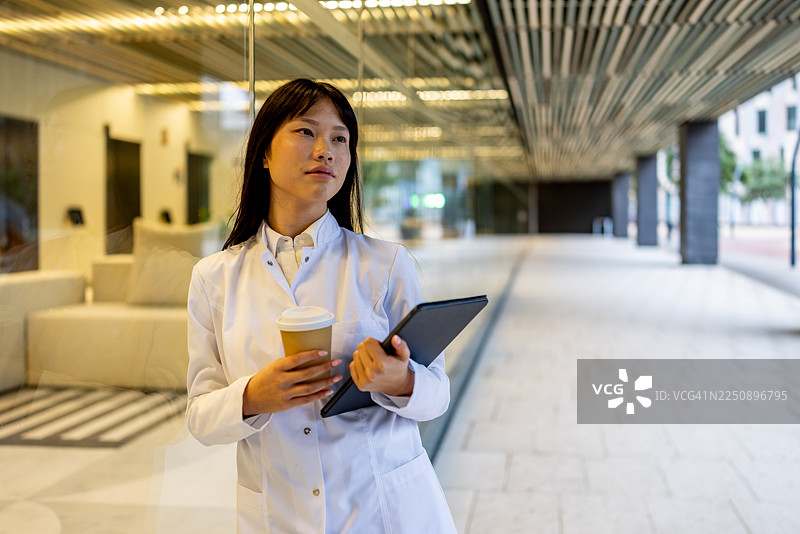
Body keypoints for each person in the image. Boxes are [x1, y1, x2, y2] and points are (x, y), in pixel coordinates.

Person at [185, 78, 457, 533]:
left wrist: (401, 380)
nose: (325, 150)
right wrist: (254, 397)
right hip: (279, 512)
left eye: (339, 139)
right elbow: (200, 416)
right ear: (264, 155)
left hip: (383, 507)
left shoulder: (387, 264)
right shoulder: (214, 277)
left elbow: (438, 394)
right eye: (306, 132)